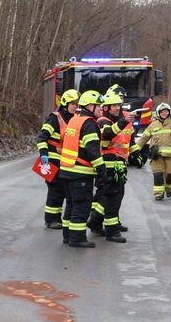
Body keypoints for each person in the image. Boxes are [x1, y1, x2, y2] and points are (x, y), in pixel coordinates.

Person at [58, 90, 106, 248]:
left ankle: (67, 235)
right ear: (90, 106)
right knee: (82, 205)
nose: (102, 109)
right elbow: (93, 150)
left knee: (71, 204)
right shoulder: (89, 123)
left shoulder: (75, 120)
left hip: (66, 170)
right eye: (99, 106)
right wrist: (101, 170)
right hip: (80, 172)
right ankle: (77, 238)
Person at [87, 90, 134, 243]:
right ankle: (111, 232)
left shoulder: (112, 120)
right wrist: (123, 122)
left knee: (114, 196)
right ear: (105, 107)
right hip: (108, 166)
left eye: (118, 105)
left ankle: (95, 222)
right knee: (112, 198)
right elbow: (106, 135)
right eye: (114, 105)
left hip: (116, 165)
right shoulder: (102, 121)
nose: (117, 108)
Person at [36, 89, 78, 229]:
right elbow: (42, 137)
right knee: (55, 190)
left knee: (62, 191)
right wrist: (44, 154)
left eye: (77, 103)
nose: (75, 106)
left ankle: (56, 218)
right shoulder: (55, 117)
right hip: (52, 160)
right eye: (72, 103)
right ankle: (51, 220)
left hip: (65, 161)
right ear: (65, 103)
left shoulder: (74, 118)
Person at [134, 102, 171, 200]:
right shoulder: (152, 125)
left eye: (166, 111)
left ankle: (169, 189)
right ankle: (158, 194)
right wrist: (135, 149)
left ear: (169, 112)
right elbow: (144, 138)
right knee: (158, 175)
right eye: (162, 112)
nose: (164, 113)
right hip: (157, 156)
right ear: (158, 113)